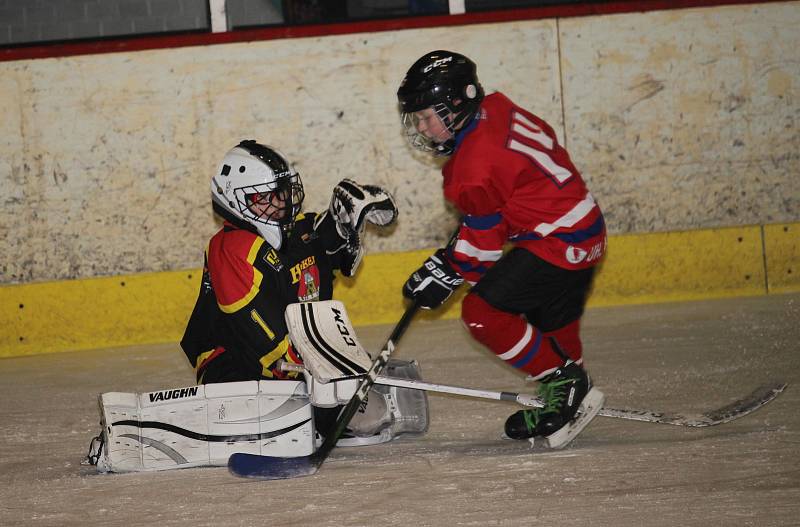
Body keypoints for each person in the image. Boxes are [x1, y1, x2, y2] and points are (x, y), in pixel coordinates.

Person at [396, 51, 606, 448]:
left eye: (428, 116)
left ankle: (563, 382)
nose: (422, 128)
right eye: (417, 118)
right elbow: (503, 199)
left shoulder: (474, 167)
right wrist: (453, 260)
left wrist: (450, 271)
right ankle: (566, 397)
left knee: (482, 313)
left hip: (557, 242)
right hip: (584, 230)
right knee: (550, 321)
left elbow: (483, 255)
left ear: (459, 103)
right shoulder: (495, 107)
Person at [180, 139, 426, 443]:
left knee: (367, 412)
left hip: (290, 361)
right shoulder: (231, 249)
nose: (280, 206)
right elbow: (267, 344)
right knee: (364, 413)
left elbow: (324, 246)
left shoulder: (292, 230)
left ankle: (317, 409)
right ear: (234, 201)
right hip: (233, 366)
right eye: (267, 198)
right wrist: (326, 374)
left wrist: (345, 225)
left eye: (282, 195)